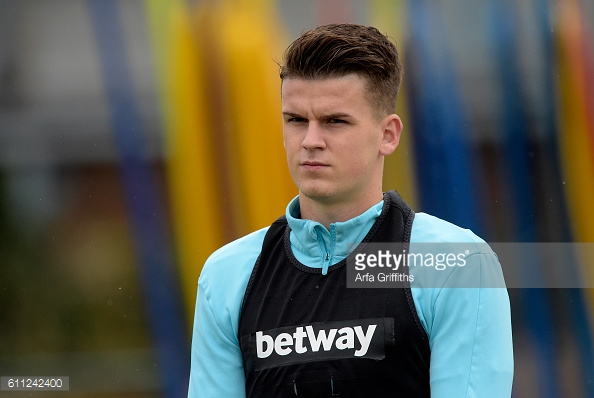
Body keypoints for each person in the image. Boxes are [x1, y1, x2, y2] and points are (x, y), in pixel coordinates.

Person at [187, 24, 513, 397]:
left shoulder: (453, 262)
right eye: (295, 120)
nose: (310, 141)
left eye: (334, 121)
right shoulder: (228, 274)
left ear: (388, 135)